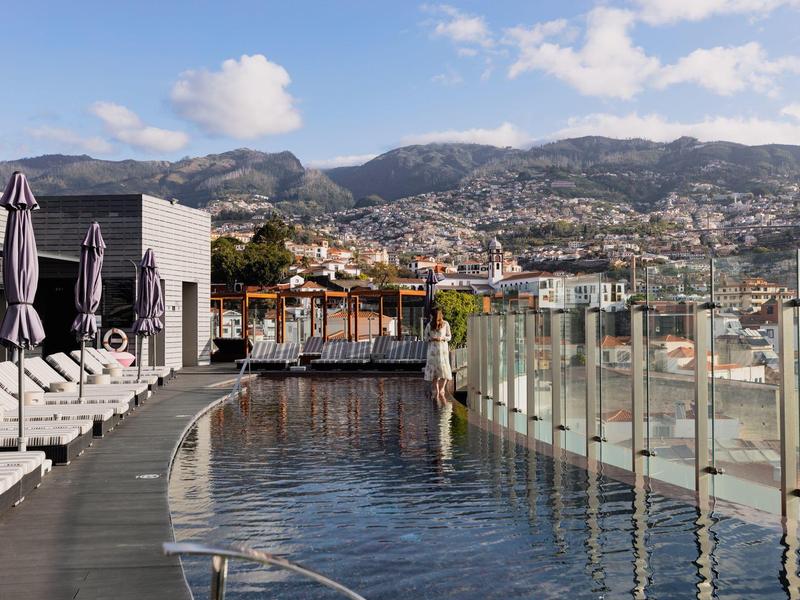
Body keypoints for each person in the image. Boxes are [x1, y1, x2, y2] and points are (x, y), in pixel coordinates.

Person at [424, 308, 452, 402]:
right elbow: (425, 337)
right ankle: (436, 390)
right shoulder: (429, 325)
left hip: (442, 350)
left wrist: (442, 338)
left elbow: (449, 337)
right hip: (432, 351)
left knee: (444, 370)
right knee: (434, 371)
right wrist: (432, 339)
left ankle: (442, 389)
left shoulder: (445, 324)